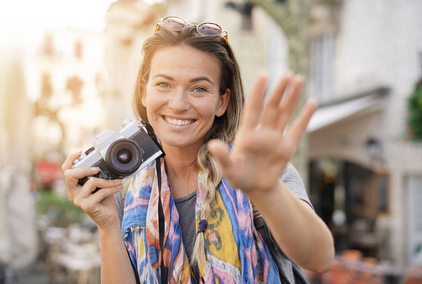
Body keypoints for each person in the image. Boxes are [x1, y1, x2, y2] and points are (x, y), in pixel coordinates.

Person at [62, 16, 334, 283]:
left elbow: (319, 258)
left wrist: (266, 191)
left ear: (222, 102)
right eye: (164, 84)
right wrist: (108, 225)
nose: (178, 103)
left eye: (199, 89)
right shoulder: (124, 190)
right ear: (144, 92)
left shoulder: (256, 173)